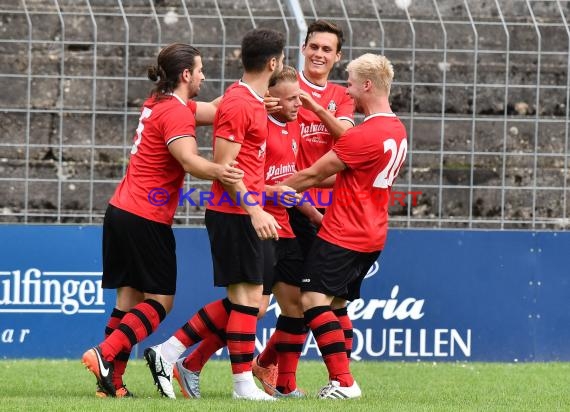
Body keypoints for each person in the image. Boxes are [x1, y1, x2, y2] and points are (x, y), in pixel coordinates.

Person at [80, 43, 244, 398]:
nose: (204, 76)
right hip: (145, 217)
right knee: (160, 303)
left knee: (128, 300)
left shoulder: (162, 103)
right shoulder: (176, 113)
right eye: (200, 70)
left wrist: (254, 96)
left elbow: (217, 110)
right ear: (186, 74)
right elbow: (188, 160)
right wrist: (222, 172)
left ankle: (112, 384)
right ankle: (104, 354)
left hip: (121, 211)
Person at [144, 28, 286, 401]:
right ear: (274, 62)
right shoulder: (240, 103)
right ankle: (239, 383)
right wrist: (255, 209)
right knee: (247, 298)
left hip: (244, 209)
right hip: (234, 212)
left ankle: (172, 352)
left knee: (248, 300)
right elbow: (226, 167)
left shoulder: (251, 100)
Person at [159, 66, 314, 400]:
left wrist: (309, 209)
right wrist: (268, 199)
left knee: (277, 308)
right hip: (255, 221)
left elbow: (286, 178)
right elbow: (245, 178)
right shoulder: (255, 123)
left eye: (300, 98)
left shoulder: (291, 127)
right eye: (291, 99)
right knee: (248, 305)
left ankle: (203, 363)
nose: (297, 105)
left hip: (280, 227)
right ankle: (189, 358)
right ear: (271, 98)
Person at [281, 53, 408, 399]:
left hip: (344, 231)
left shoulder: (362, 135)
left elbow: (313, 174)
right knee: (336, 305)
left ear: (367, 85)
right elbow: (343, 178)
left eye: (350, 82)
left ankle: (344, 382)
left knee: (311, 298)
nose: (346, 90)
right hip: (372, 232)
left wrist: (265, 191)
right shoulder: (396, 129)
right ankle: (339, 379)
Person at [251, 18, 356, 393]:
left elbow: (348, 140)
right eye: (314, 46)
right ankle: (303, 382)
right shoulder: (279, 90)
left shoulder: (342, 97)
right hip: (289, 205)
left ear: (338, 57)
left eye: (327, 49)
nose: (319, 54)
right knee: (295, 302)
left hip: (333, 210)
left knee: (331, 303)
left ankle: (267, 365)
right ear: (303, 48)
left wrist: (314, 104)